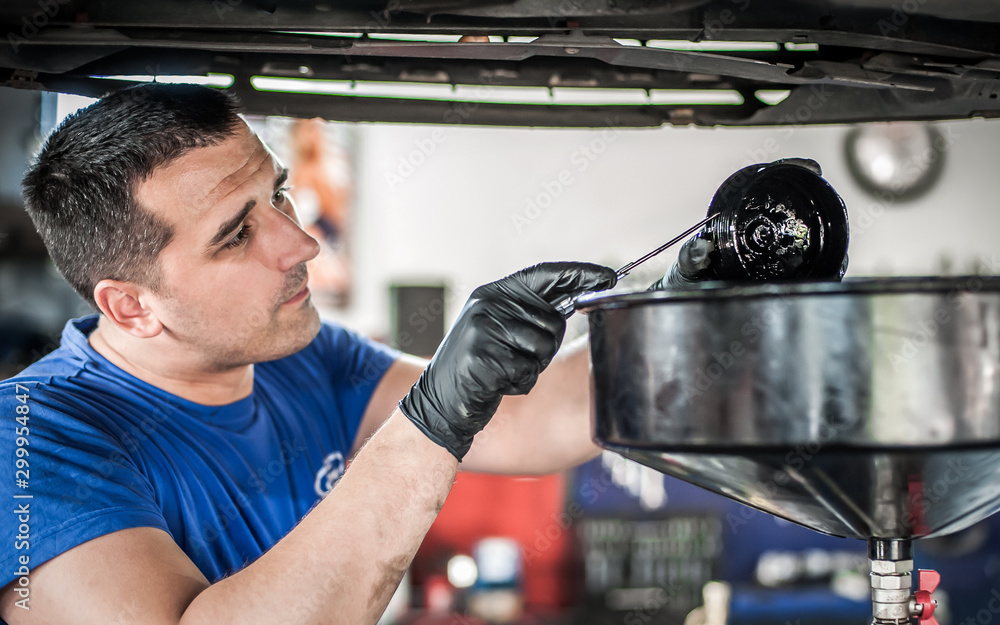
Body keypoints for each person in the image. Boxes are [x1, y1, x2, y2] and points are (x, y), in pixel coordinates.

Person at [0, 84, 619, 625]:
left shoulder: (302, 357)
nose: (302, 243)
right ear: (132, 306)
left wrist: (666, 315)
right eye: (236, 235)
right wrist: (432, 422)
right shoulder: (30, 440)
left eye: (279, 194)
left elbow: (533, 422)